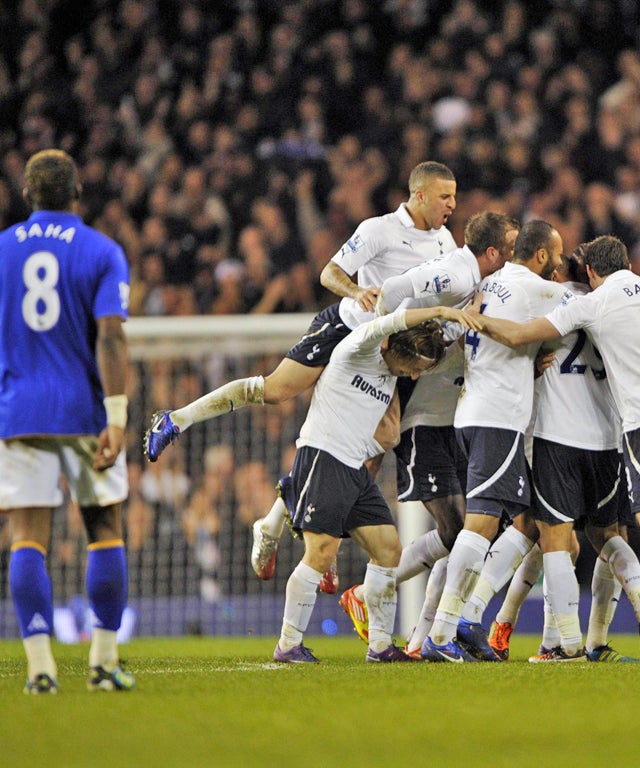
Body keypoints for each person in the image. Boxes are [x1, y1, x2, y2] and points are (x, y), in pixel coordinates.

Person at [144, 161, 457, 591]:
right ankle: (176, 418)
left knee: (377, 445)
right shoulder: (379, 229)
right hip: (348, 329)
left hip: (389, 352)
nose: (452, 205)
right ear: (420, 195)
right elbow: (329, 272)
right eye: (445, 196)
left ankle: (284, 525)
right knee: (275, 391)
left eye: (454, 196)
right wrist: (356, 290)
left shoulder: (444, 241)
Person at [465, 234, 640, 662]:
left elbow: (518, 336)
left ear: (590, 271)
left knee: (581, 536)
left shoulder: (582, 305)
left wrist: (476, 319)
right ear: (625, 260)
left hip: (633, 426)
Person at [332, 210, 519, 643]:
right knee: (458, 529)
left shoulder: (481, 287)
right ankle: (374, 595)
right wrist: (385, 340)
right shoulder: (454, 276)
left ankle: (423, 638)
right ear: (492, 251)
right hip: (422, 422)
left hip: (451, 421)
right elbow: (398, 292)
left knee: (458, 535)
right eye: (508, 246)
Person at [271, 302, 476, 664]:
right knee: (320, 553)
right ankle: (288, 643)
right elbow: (394, 319)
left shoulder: (390, 375)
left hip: (354, 469)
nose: (414, 377)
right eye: (414, 369)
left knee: (388, 549)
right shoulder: (360, 345)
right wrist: (443, 307)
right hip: (324, 456)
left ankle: (380, 646)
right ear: (399, 350)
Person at [0, 149, 134, 693]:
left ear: (27, 194)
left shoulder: (2, 250)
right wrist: (119, 415)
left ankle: (40, 672)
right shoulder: (101, 250)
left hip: (20, 412)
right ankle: (102, 664)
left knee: (27, 535)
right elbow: (111, 336)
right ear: (78, 192)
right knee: (103, 527)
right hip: (84, 413)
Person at [499, 242, 640, 663]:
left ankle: (564, 644)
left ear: (561, 274)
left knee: (554, 540)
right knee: (608, 536)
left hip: (557, 437)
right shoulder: (612, 309)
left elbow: (516, 348)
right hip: (608, 441)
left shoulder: (552, 307)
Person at [421, 220, 572, 662]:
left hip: (473, 413)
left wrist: (527, 362)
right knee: (482, 523)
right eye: (557, 257)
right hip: (498, 420)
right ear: (541, 255)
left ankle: (468, 619)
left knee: (527, 521)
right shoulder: (535, 289)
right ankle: (442, 633)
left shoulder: (488, 284)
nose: (560, 266)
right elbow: (589, 307)